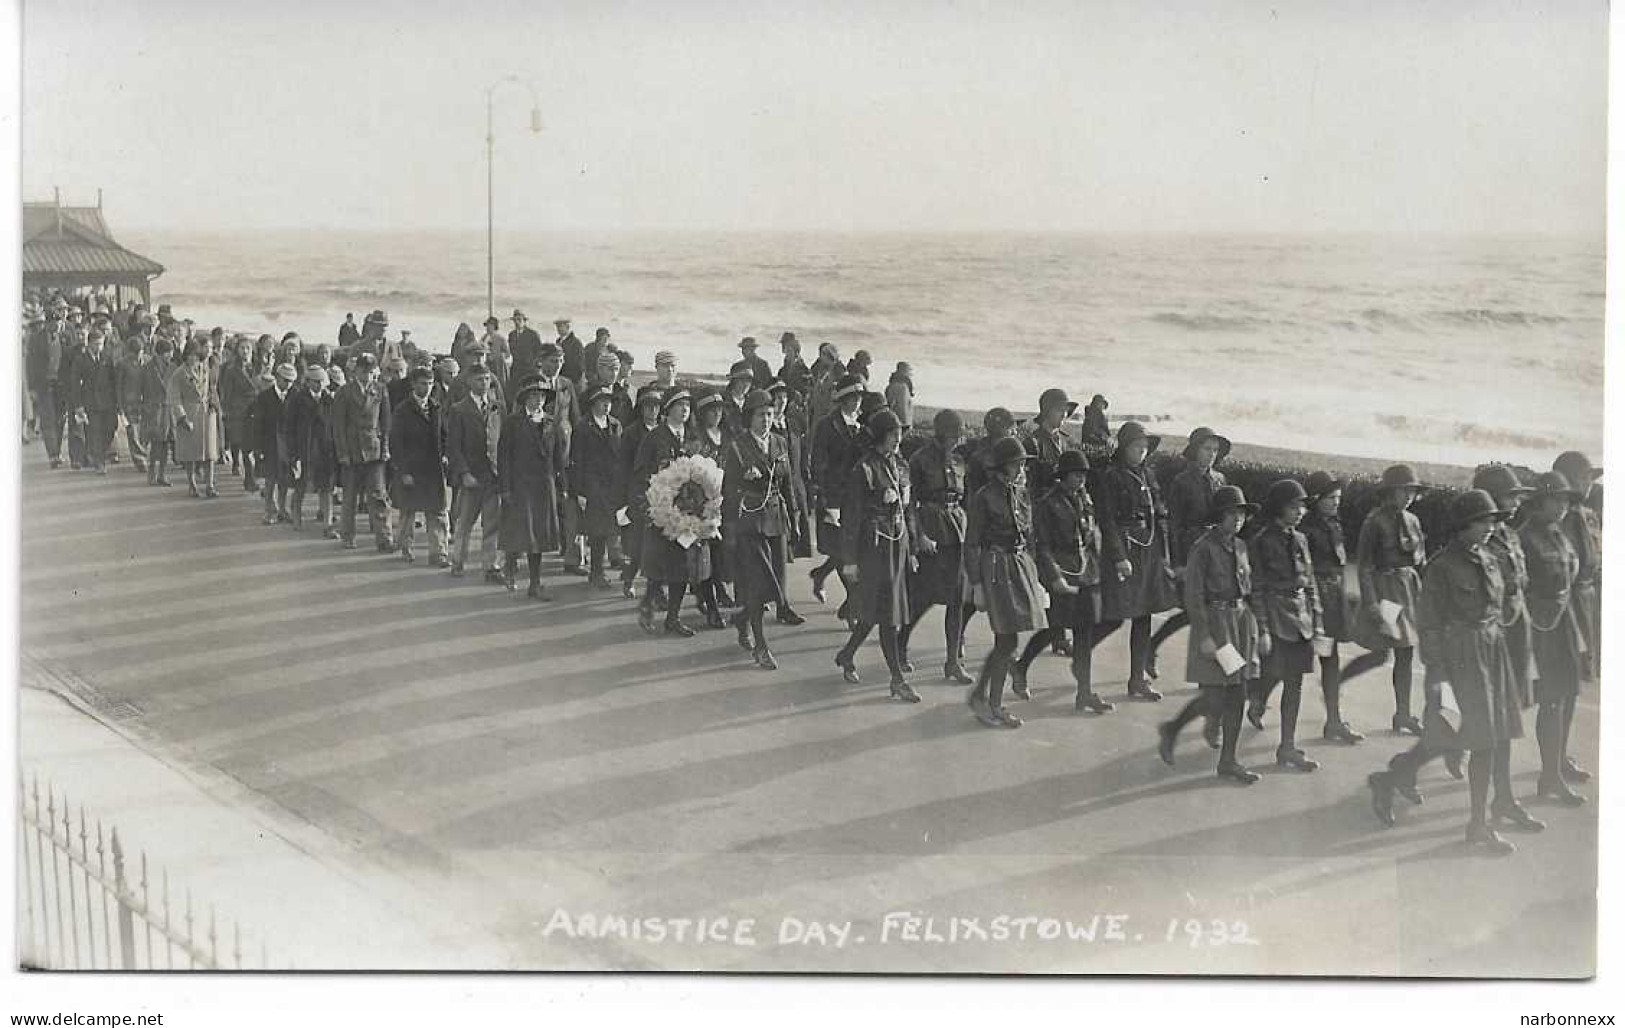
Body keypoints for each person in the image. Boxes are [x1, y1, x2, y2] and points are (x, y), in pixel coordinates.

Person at [1387, 489, 1532, 853]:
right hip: (1460, 658)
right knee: (1467, 736)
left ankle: (1482, 814)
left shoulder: (1489, 557)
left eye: (1492, 521)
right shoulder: (1441, 567)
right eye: (1482, 521)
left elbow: (1501, 605)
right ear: (1463, 525)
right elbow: (1430, 624)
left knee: (1495, 735)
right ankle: (1475, 823)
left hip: (1491, 651)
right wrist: (1439, 676)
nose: (1489, 527)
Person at [1156, 485, 1263, 784]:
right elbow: (1194, 595)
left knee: (1238, 694)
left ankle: (1229, 760)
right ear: (1218, 517)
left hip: (1239, 624)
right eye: (1231, 514)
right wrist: (1204, 635)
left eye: (1241, 514)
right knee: (1216, 698)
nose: (1237, 520)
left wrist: (1257, 628)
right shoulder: (1203, 548)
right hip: (1216, 626)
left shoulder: (1241, 547)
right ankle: (1173, 729)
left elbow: (1248, 589)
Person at [1009, 449, 1115, 714]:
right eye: (1076, 475)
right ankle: (1021, 666)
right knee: (1054, 627)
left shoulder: (1085, 499)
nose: (1081, 480)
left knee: (1085, 630)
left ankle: (1084, 693)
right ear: (1063, 476)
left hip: (1087, 572)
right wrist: (1053, 576)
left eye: (1083, 476)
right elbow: (1042, 545)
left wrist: (1103, 566)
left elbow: (1092, 536)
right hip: (1062, 572)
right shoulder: (1048, 504)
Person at [833, 408, 919, 701]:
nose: (898, 439)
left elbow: (907, 511)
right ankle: (896, 679)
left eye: (900, 434)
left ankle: (846, 654)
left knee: (877, 612)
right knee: (887, 616)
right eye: (893, 434)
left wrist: (912, 548)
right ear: (881, 436)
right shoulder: (864, 470)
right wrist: (849, 561)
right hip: (873, 550)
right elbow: (851, 518)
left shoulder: (901, 466)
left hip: (897, 547)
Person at [964, 436, 1048, 726]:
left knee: (1008, 639)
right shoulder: (984, 497)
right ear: (1002, 468)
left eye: (1023, 463)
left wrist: (1035, 577)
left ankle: (981, 696)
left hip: (1019, 565)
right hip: (996, 566)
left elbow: (1030, 537)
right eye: (1017, 464)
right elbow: (972, 543)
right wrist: (976, 584)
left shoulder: (1022, 494)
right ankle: (992, 704)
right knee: (1006, 638)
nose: (1022, 468)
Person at [1242, 479, 1324, 771]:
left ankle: (1287, 747)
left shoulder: (1300, 539)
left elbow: (1310, 581)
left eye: (1302, 506)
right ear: (1279, 508)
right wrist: (1262, 628)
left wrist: (1318, 618)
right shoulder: (1261, 542)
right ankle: (1255, 700)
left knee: (1295, 682)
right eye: (1293, 506)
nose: (1300, 511)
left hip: (1300, 617)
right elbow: (1257, 588)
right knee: (1273, 671)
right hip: (1275, 616)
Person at [1092, 421, 1178, 701]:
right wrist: (1118, 557)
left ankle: (1137, 678)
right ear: (1124, 447)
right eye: (1137, 447)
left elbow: (1159, 515)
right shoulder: (1111, 477)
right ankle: (1082, 653)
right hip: (1126, 549)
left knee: (1145, 615)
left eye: (1144, 448)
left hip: (1148, 549)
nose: (1142, 452)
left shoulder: (1148, 475)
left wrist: (1164, 554)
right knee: (1115, 615)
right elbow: (1107, 520)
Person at [1520, 471, 1590, 807]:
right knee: (1551, 700)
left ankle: (1558, 762)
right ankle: (1549, 777)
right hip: (1540, 627)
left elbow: (1571, 574)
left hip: (1565, 622)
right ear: (1540, 500)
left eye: (1566, 500)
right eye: (1556, 499)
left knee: (1568, 693)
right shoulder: (1525, 538)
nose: (1562, 506)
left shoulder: (1558, 534)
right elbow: (1519, 588)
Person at [1348, 464, 1430, 736]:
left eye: (1412, 491)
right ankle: (1337, 681)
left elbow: (1421, 561)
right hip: (1386, 593)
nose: (1408, 496)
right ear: (1389, 492)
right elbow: (1365, 567)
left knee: (1405, 652)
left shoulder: (1414, 520)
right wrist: (1372, 605)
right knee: (1382, 651)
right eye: (1402, 491)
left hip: (1407, 590)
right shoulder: (1374, 522)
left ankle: (1403, 714)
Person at [723, 388, 800, 670]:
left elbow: (788, 483)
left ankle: (742, 618)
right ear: (749, 418)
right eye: (760, 415)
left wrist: (794, 518)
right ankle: (761, 645)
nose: (766, 420)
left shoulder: (779, 442)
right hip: (750, 522)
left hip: (776, 520)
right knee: (758, 583)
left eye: (769, 414)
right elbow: (727, 490)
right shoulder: (736, 446)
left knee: (777, 584)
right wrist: (744, 482)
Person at [899, 408, 975, 684]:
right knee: (923, 598)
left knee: (957, 599)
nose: (958, 440)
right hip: (931, 532)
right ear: (942, 434)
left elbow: (962, 499)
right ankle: (900, 645)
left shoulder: (958, 460)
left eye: (960, 435)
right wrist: (919, 536)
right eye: (954, 435)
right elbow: (911, 503)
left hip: (956, 532)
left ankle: (952, 662)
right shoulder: (920, 460)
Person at [633, 386, 707, 635]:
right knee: (659, 565)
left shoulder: (694, 437)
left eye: (687, 406)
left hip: (688, 513)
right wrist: (650, 501)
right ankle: (647, 606)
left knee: (683, 567)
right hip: (661, 511)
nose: (685, 410)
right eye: (679, 405)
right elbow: (642, 471)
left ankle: (673, 618)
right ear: (668, 409)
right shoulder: (655, 437)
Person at [1296, 471, 1364, 743]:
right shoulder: (1306, 531)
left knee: (1329, 659)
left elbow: (1339, 565)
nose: (1337, 502)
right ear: (1315, 500)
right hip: (1314, 602)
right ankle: (1257, 698)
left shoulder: (1334, 526)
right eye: (1330, 498)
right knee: (1295, 660)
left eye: (1338, 498)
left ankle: (1334, 720)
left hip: (1332, 601)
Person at [498, 376, 567, 600]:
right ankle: (510, 566)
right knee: (521, 531)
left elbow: (558, 459)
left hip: (544, 486)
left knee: (538, 534)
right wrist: (505, 488)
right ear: (525, 398)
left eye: (542, 396)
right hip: (520, 484)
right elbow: (504, 457)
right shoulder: (512, 422)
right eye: (534, 395)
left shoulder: (550, 423)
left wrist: (562, 486)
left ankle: (535, 583)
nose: (538, 400)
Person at [808, 374, 867, 612]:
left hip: (856, 498)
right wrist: (824, 496)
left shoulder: (862, 425)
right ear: (841, 399)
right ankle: (852, 604)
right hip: (834, 496)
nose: (856, 403)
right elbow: (818, 463)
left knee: (848, 547)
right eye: (851, 398)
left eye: (859, 398)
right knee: (843, 550)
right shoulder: (827, 425)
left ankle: (820, 574)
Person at [444, 364, 505, 582]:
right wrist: (464, 473)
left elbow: (503, 442)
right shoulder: (459, 409)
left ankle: (491, 566)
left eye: (487, 379)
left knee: (492, 524)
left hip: (493, 475)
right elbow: (454, 447)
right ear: (469, 382)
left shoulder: (497, 407)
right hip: (471, 476)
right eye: (480, 379)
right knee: (464, 523)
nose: (484, 383)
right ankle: (458, 561)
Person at [332, 351, 394, 552]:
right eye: (362, 370)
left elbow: (386, 423)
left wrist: (385, 448)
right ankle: (348, 536)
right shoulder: (344, 392)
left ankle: (384, 538)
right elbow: (338, 426)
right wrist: (342, 453)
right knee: (350, 497)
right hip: (352, 450)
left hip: (373, 450)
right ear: (355, 370)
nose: (366, 374)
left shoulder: (380, 390)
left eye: (370, 370)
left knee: (378, 496)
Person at [388, 365, 450, 567]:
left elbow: (443, 435)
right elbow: (396, 443)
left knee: (437, 511)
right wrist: (403, 470)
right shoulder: (402, 410)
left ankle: (438, 552)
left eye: (431, 384)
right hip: (412, 468)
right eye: (423, 383)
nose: (427, 387)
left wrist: (446, 454)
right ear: (414, 384)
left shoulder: (436, 407)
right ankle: (406, 547)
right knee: (408, 511)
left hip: (433, 468)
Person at [1552, 450, 1602, 690]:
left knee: (1582, 670)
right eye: (1584, 478)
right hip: (1568, 598)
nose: (1589, 484)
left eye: (1591, 478)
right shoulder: (1559, 517)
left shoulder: (1589, 515)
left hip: (1589, 596)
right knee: (1565, 672)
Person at [570, 384, 624, 589]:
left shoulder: (616, 425)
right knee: (596, 531)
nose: (606, 406)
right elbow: (577, 460)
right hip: (592, 485)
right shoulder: (583, 427)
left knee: (610, 528)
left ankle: (601, 569)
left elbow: (621, 455)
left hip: (611, 485)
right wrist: (580, 491)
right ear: (593, 403)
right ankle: (596, 572)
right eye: (602, 402)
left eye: (609, 402)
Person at [689, 390, 735, 626]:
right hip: (703, 505)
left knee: (722, 554)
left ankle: (720, 589)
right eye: (711, 410)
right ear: (703, 413)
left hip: (726, 502)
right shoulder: (696, 439)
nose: (717, 414)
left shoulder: (728, 436)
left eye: (720, 409)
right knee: (705, 556)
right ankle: (711, 606)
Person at [618, 384, 666, 599]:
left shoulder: (663, 432)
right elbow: (624, 466)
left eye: (656, 407)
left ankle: (656, 590)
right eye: (648, 407)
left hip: (662, 494)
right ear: (641, 408)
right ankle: (628, 578)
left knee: (659, 544)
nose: (652, 411)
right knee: (638, 543)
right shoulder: (631, 433)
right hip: (639, 492)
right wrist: (627, 497)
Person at [283, 365, 337, 533]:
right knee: (301, 485)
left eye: (322, 382)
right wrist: (292, 453)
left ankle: (328, 524)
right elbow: (289, 428)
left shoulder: (329, 400)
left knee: (326, 488)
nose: (319, 385)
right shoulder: (297, 400)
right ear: (307, 382)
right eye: (315, 382)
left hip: (324, 449)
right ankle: (296, 518)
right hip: (304, 449)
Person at [167, 340, 221, 497]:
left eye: (196, 356)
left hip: (206, 413)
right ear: (185, 356)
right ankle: (192, 484)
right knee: (190, 453)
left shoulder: (204, 369)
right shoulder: (179, 373)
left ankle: (210, 485)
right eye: (190, 355)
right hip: (189, 414)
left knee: (210, 452)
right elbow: (174, 398)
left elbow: (211, 389)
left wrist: (213, 403)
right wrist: (182, 417)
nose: (193, 359)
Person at [65, 325, 119, 474]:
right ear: (89, 344)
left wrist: (117, 401)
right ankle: (99, 462)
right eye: (96, 344)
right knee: (94, 432)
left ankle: (98, 454)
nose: (99, 347)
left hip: (107, 402)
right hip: (90, 403)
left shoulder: (107, 357)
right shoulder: (80, 360)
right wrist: (78, 406)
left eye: (101, 344)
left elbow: (114, 380)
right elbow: (74, 384)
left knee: (110, 429)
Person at [250, 363, 297, 524]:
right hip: (269, 443)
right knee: (270, 479)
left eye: (291, 381)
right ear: (277, 378)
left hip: (288, 444)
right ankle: (269, 510)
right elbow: (258, 424)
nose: (288, 384)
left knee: (285, 479)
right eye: (285, 380)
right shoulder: (264, 397)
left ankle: (282, 509)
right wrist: (257, 447)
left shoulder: (295, 395)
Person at [219, 336, 259, 492]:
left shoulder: (254, 368)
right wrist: (227, 411)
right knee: (245, 448)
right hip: (238, 412)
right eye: (242, 348)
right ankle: (249, 479)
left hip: (253, 412)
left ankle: (250, 477)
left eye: (248, 348)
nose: (245, 351)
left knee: (251, 448)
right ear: (237, 351)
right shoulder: (231, 370)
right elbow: (226, 393)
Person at [138, 337, 176, 487]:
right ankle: (152, 474)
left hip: (168, 410)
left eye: (171, 352)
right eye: (168, 353)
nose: (170, 355)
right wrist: (143, 406)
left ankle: (162, 474)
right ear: (160, 354)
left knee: (165, 443)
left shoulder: (173, 368)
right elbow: (140, 388)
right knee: (155, 444)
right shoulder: (148, 368)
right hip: (153, 410)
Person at [964, 407, 1017, 497]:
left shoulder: (1007, 454)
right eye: (1011, 429)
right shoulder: (981, 459)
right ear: (1000, 430)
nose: (1015, 433)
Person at [114, 337, 148, 472]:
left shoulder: (148, 361)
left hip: (145, 402)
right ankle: (139, 459)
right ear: (130, 353)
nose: (139, 355)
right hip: (129, 403)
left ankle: (144, 453)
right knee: (132, 432)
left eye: (141, 351)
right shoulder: (122, 364)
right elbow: (118, 386)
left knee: (144, 431)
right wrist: (120, 406)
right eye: (136, 352)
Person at [507, 310, 543, 392]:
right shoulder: (511, 335)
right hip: (516, 370)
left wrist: (536, 367)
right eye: (515, 320)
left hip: (529, 370)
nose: (517, 322)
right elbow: (512, 351)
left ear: (524, 321)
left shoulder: (533, 334)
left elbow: (539, 352)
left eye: (519, 320)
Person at [721, 361, 755, 439]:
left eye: (749, 380)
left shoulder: (752, 403)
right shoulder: (722, 402)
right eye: (742, 380)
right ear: (733, 381)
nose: (746, 384)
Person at [778, 332, 811, 401]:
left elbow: (806, 390)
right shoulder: (782, 371)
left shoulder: (804, 370)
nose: (785, 351)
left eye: (788, 349)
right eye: (784, 347)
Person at [553, 318, 585, 389]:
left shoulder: (576, 343)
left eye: (561, 326)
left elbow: (580, 364)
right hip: (560, 379)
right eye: (557, 327)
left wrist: (574, 380)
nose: (558, 329)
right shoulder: (558, 342)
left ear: (567, 327)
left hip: (572, 380)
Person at [884, 362, 914, 427]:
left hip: (897, 393)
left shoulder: (893, 379)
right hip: (902, 392)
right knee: (903, 411)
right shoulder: (904, 382)